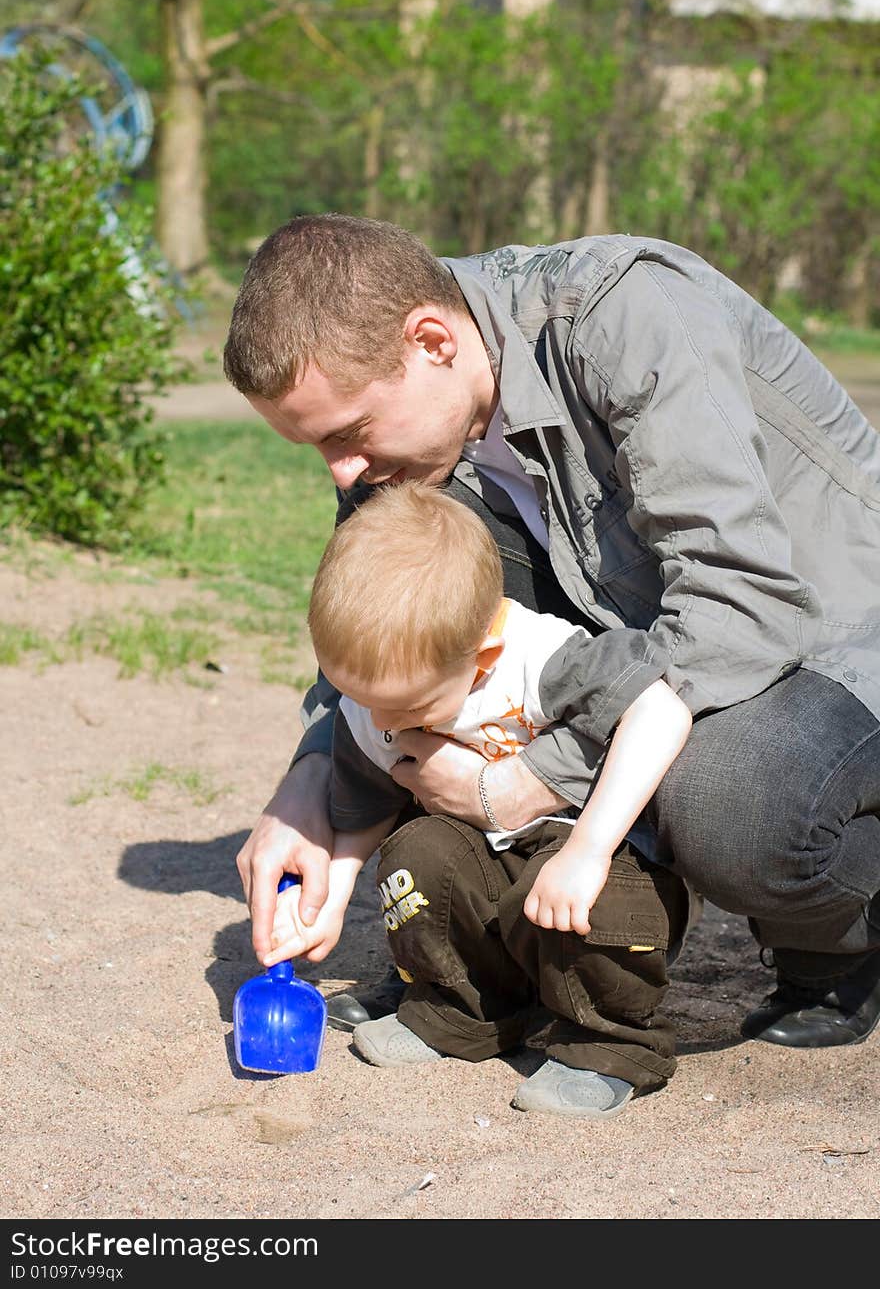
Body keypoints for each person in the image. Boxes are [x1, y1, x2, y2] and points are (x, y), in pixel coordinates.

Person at [224, 213, 880, 1052]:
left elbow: (741, 605)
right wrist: (309, 780)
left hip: (827, 632)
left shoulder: (622, 316)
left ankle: (838, 940)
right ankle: (472, 957)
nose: (341, 474)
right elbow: (380, 621)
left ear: (431, 341)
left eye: (348, 435)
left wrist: (537, 773)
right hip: (651, 633)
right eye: (316, 448)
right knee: (427, 627)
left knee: (731, 806)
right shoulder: (417, 413)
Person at [266, 480, 692, 1115]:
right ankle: (463, 1012)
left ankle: (610, 1043)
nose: (386, 720)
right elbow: (364, 803)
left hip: (598, 853)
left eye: (408, 707)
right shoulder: (375, 697)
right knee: (416, 855)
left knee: (590, 905)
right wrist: (331, 896)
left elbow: (661, 710)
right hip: (489, 855)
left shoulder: (539, 657)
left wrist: (590, 848)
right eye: (362, 699)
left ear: (483, 654)